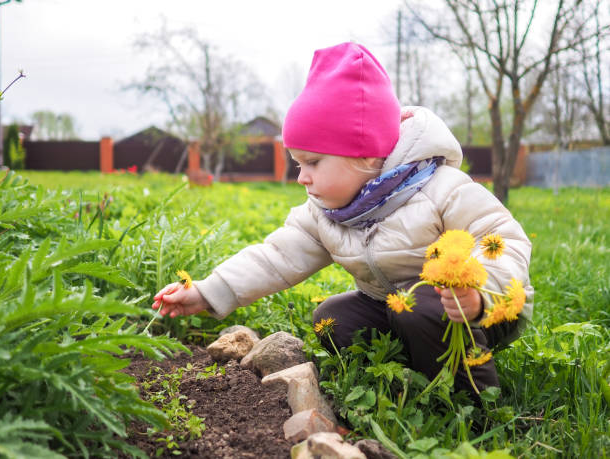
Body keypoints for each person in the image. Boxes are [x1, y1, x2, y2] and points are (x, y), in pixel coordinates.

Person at [152, 42, 533, 396]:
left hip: (479, 309)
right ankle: (400, 380)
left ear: (366, 157)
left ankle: (470, 404)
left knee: (419, 309)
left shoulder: (440, 189)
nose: (302, 176)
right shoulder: (326, 212)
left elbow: (505, 241)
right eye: (299, 163)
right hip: (395, 306)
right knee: (332, 318)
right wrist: (206, 291)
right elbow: (275, 257)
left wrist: (479, 295)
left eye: (313, 162)